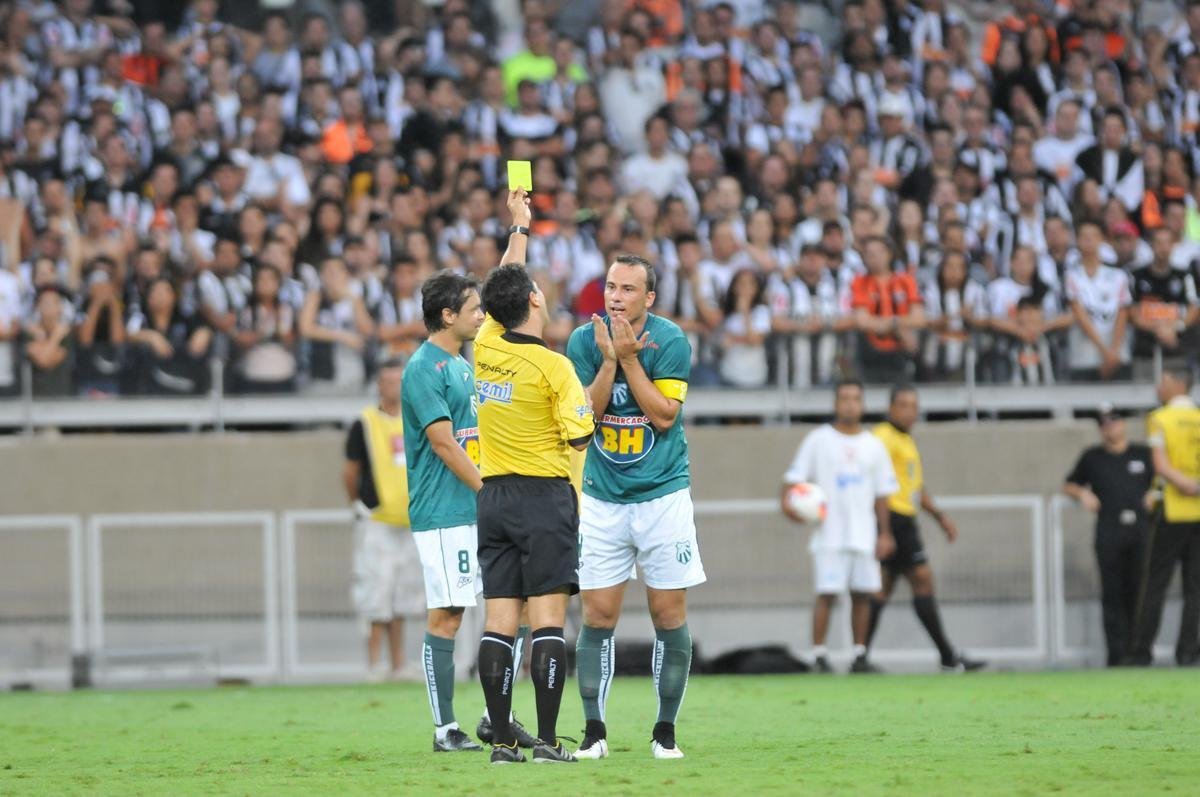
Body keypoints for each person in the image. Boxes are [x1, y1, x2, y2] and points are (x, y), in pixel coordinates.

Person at [566, 254, 706, 761]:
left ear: (649, 297)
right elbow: (584, 418)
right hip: (603, 497)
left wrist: (629, 359)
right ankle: (594, 732)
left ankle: (665, 731)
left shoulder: (669, 341)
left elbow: (665, 417)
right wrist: (608, 359)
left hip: (662, 495)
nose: (615, 297)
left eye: (627, 289)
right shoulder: (584, 341)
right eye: (610, 287)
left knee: (667, 613)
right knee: (596, 616)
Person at [473, 188, 595, 765]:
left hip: (492, 494)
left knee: (499, 622)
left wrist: (517, 227)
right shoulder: (555, 365)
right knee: (547, 622)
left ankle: (501, 743)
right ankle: (546, 742)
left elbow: (504, 283)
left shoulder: (484, 344)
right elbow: (579, 436)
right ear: (533, 302)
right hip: (544, 495)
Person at [399, 270, 488, 753]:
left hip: (472, 508)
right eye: (473, 307)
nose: (481, 314)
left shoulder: (461, 364)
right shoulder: (422, 369)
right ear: (447, 315)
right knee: (448, 615)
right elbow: (443, 443)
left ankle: (498, 714)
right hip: (443, 513)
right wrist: (490, 490)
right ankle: (444, 729)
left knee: (504, 609)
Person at [866, 385, 987, 671]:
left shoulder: (905, 440)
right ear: (890, 408)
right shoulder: (882, 437)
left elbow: (915, 488)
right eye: (904, 405)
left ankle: (861, 655)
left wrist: (939, 516)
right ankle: (947, 656)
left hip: (904, 518)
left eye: (914, 406)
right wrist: (883, 529)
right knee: (921, 579)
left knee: (882, 588)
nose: (910, 411)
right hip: (893, 519)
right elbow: (874, 482)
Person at [781, 379, 898, 674]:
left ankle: (860, 655)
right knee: (827, 592)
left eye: (855, 398)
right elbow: (795, 481)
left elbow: (883, 493)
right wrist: (791, 506)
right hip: (829, 533)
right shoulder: (818, 439)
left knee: (863, 593)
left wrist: (885, 533)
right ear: (835, 403)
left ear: (863, 404)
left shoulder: (874, 445)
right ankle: (819, 655)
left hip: (864, 532)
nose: (850, 404)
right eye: (844, 398)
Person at [341, 360, 426, 683]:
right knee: (376, 589)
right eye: (387, 380)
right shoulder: (365, 423)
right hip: (377, 522)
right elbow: (350, 472)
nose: (393, 387)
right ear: (378, 385)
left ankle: (399, 663)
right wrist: (359, 505)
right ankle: (374, 663)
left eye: (398, 381)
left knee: (404, 593)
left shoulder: (416, 420)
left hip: (411, 521)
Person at [1062, 405, 1156, 666]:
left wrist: (1154, 495)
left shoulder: (1143, 454)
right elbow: (1069, 484)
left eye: (1113, 422)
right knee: (1112, 592)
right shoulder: (1092, 457)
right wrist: (1082, 493)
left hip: (1140, 530)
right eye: (1104, 423)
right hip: (1109, 530)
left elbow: (1161, 480)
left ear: (1123, 423)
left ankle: (1140, 651)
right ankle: (1117, 653)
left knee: (1139, 590)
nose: (1109, 427)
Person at [1127, 368, 1200, 666]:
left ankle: (1142, 651)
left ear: (1176, 384)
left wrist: (1183, 483)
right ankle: (1187, 652)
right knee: (1195, 587)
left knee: (1154, 582)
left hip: (1171, 509)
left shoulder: (1160, 418)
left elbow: (1160, 465)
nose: (1158, 387)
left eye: (1163, 381)